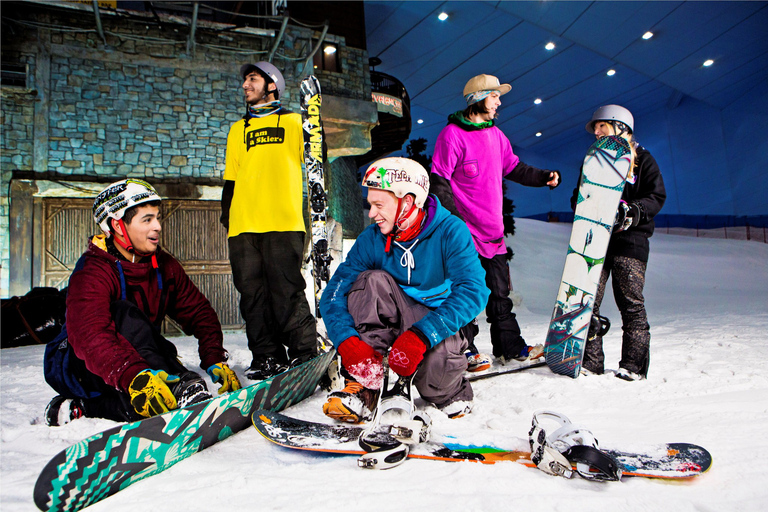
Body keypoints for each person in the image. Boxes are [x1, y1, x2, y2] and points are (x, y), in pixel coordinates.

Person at [43, 179, 241, 426]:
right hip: (76, 363)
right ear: (117, 225)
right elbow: (90, 335)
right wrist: (134, 376)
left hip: (130, 357)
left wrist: (214, 357)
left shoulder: (163, 265)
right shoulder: (93, 271)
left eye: (157, 217)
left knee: (157, 379)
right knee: (125, 313)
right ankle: (173, 386)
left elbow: (199, 311)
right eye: (147, 219)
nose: (157, 226)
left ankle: (85, 408)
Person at [319, 157, 489, 422]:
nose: (371, 214)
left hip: (440, 321)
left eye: (378, 205)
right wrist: (349, 343)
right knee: (369, 281)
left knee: (435, 373)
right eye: (370, 205)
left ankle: (452, 392)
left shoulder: (451, 231)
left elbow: (474, 290)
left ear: (407, 202)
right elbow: (334, 293)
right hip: (398, 315)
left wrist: (421, 336)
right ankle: (363, 386)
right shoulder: (371, 238)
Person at [430, 74, 560, 368]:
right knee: (466, 295)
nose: (499, 102)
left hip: (493, 234)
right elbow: (439, 181)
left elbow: (514, 167)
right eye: (495, 96)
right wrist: (455, 224)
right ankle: (464, 350)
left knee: (501, 296)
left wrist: (543, 177)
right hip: (466, 234)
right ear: (478, 98)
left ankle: (509, 347)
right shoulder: (452, 135)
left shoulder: (495, 135)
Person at [220, 61, 317, 380]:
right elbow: (231, 178)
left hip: (283, 220)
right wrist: (227, 212)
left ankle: (304, 352)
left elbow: (316, 158)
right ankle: (266, 356)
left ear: (272, 85)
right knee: (251, 295)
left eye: (252, 79)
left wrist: (313, 123)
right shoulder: (238, 129)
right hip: (243, 225)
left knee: (286, 290)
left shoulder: (294, 122)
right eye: (245, 80)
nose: (245, 85)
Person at [573, 105, 666, 381]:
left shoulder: (644, 160)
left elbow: (656, 195)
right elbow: (576, 196)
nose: (596, 132)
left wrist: (633, 210)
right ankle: (591, 362)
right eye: (596, 128)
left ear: (620, 127)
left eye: (602, 126)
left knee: (630, 303)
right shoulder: (593, 162)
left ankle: (633, 366)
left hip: (631, 241)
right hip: (598, 242)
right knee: (588, 302)